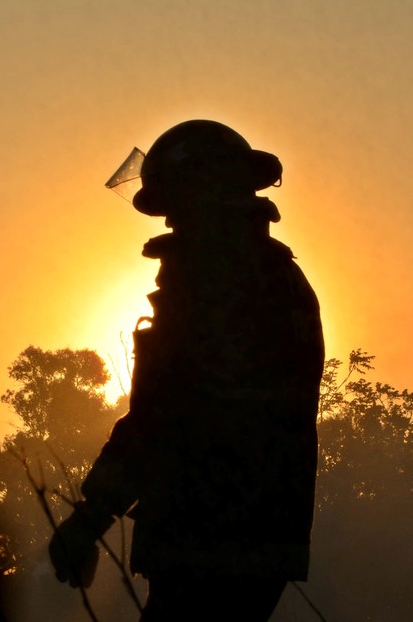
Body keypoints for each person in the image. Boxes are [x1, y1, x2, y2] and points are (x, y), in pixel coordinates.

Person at [50, 120, 325, 620]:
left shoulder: (223, 284)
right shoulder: (270, 277)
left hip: (212, 538)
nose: (171, 225)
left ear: (203, 196)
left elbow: (168, 416)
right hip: (252, 541)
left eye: (176, 209)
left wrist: (90, 517)